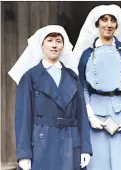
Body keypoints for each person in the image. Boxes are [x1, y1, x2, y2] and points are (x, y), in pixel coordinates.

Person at [72, 4, 121, 170]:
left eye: (113, 20)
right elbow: (82, 86)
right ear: (97, 23)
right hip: (95, 114)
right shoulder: (87, 54)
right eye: (104, 20)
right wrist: (89, 114)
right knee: (97, 163)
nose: (109, 24)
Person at [8, 25, 92, 170]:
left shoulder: (72, 77)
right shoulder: (30, 77)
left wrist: (85, 148)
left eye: (58, 41)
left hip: (70, 142)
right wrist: (24, 154)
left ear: (63, 46)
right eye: (50, 40)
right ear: (42, 44)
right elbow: (23, 118)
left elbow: (82, 116)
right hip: (41, 144)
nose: (54, 45)